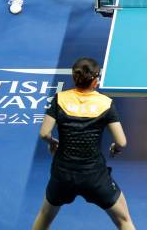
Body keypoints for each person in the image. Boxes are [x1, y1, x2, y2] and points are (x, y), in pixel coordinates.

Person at [32, 58, 136, 230]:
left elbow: (44, 133)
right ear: (95, 81)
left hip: (63, 174)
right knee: (124, 220)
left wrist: (51, 142)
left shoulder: (59, 99)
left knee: (44, 216)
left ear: (75, 78)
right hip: (94, 176)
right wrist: (114, 148)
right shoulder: (105, 103)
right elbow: (122, 142)